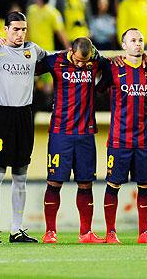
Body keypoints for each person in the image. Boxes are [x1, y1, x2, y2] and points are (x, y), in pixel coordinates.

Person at [0, 12, 46, 244]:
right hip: (0, 114)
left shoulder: (34, 50)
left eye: (23, 29)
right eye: (15, 29)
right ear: (5, 29)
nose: (20, 34)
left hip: (24, 115)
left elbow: (57, 61)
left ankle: (16, 229)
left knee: (20, 176)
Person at [38, 37, 109, 244]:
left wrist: (99, 89)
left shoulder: (95, 62)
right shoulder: (55, 61)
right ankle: (50, 231)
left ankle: (86, 233)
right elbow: (31, 68)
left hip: (86, 133)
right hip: (61, 132)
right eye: (78, 61)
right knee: (54, 182)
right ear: (70, 51)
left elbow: (111, 70)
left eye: (85, 62)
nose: (81, 65)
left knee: (86, 184)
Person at [100, 28, 147, 244]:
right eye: (133, 40)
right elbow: (99, 86)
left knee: (144, 185)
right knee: (113, 184)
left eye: (141, 40)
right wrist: (111, 60)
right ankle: (111, 232)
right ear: (123, 45)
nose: (138, 43)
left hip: (144, 140)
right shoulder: (113, 68)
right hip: (119, 139)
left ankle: (144, 232)